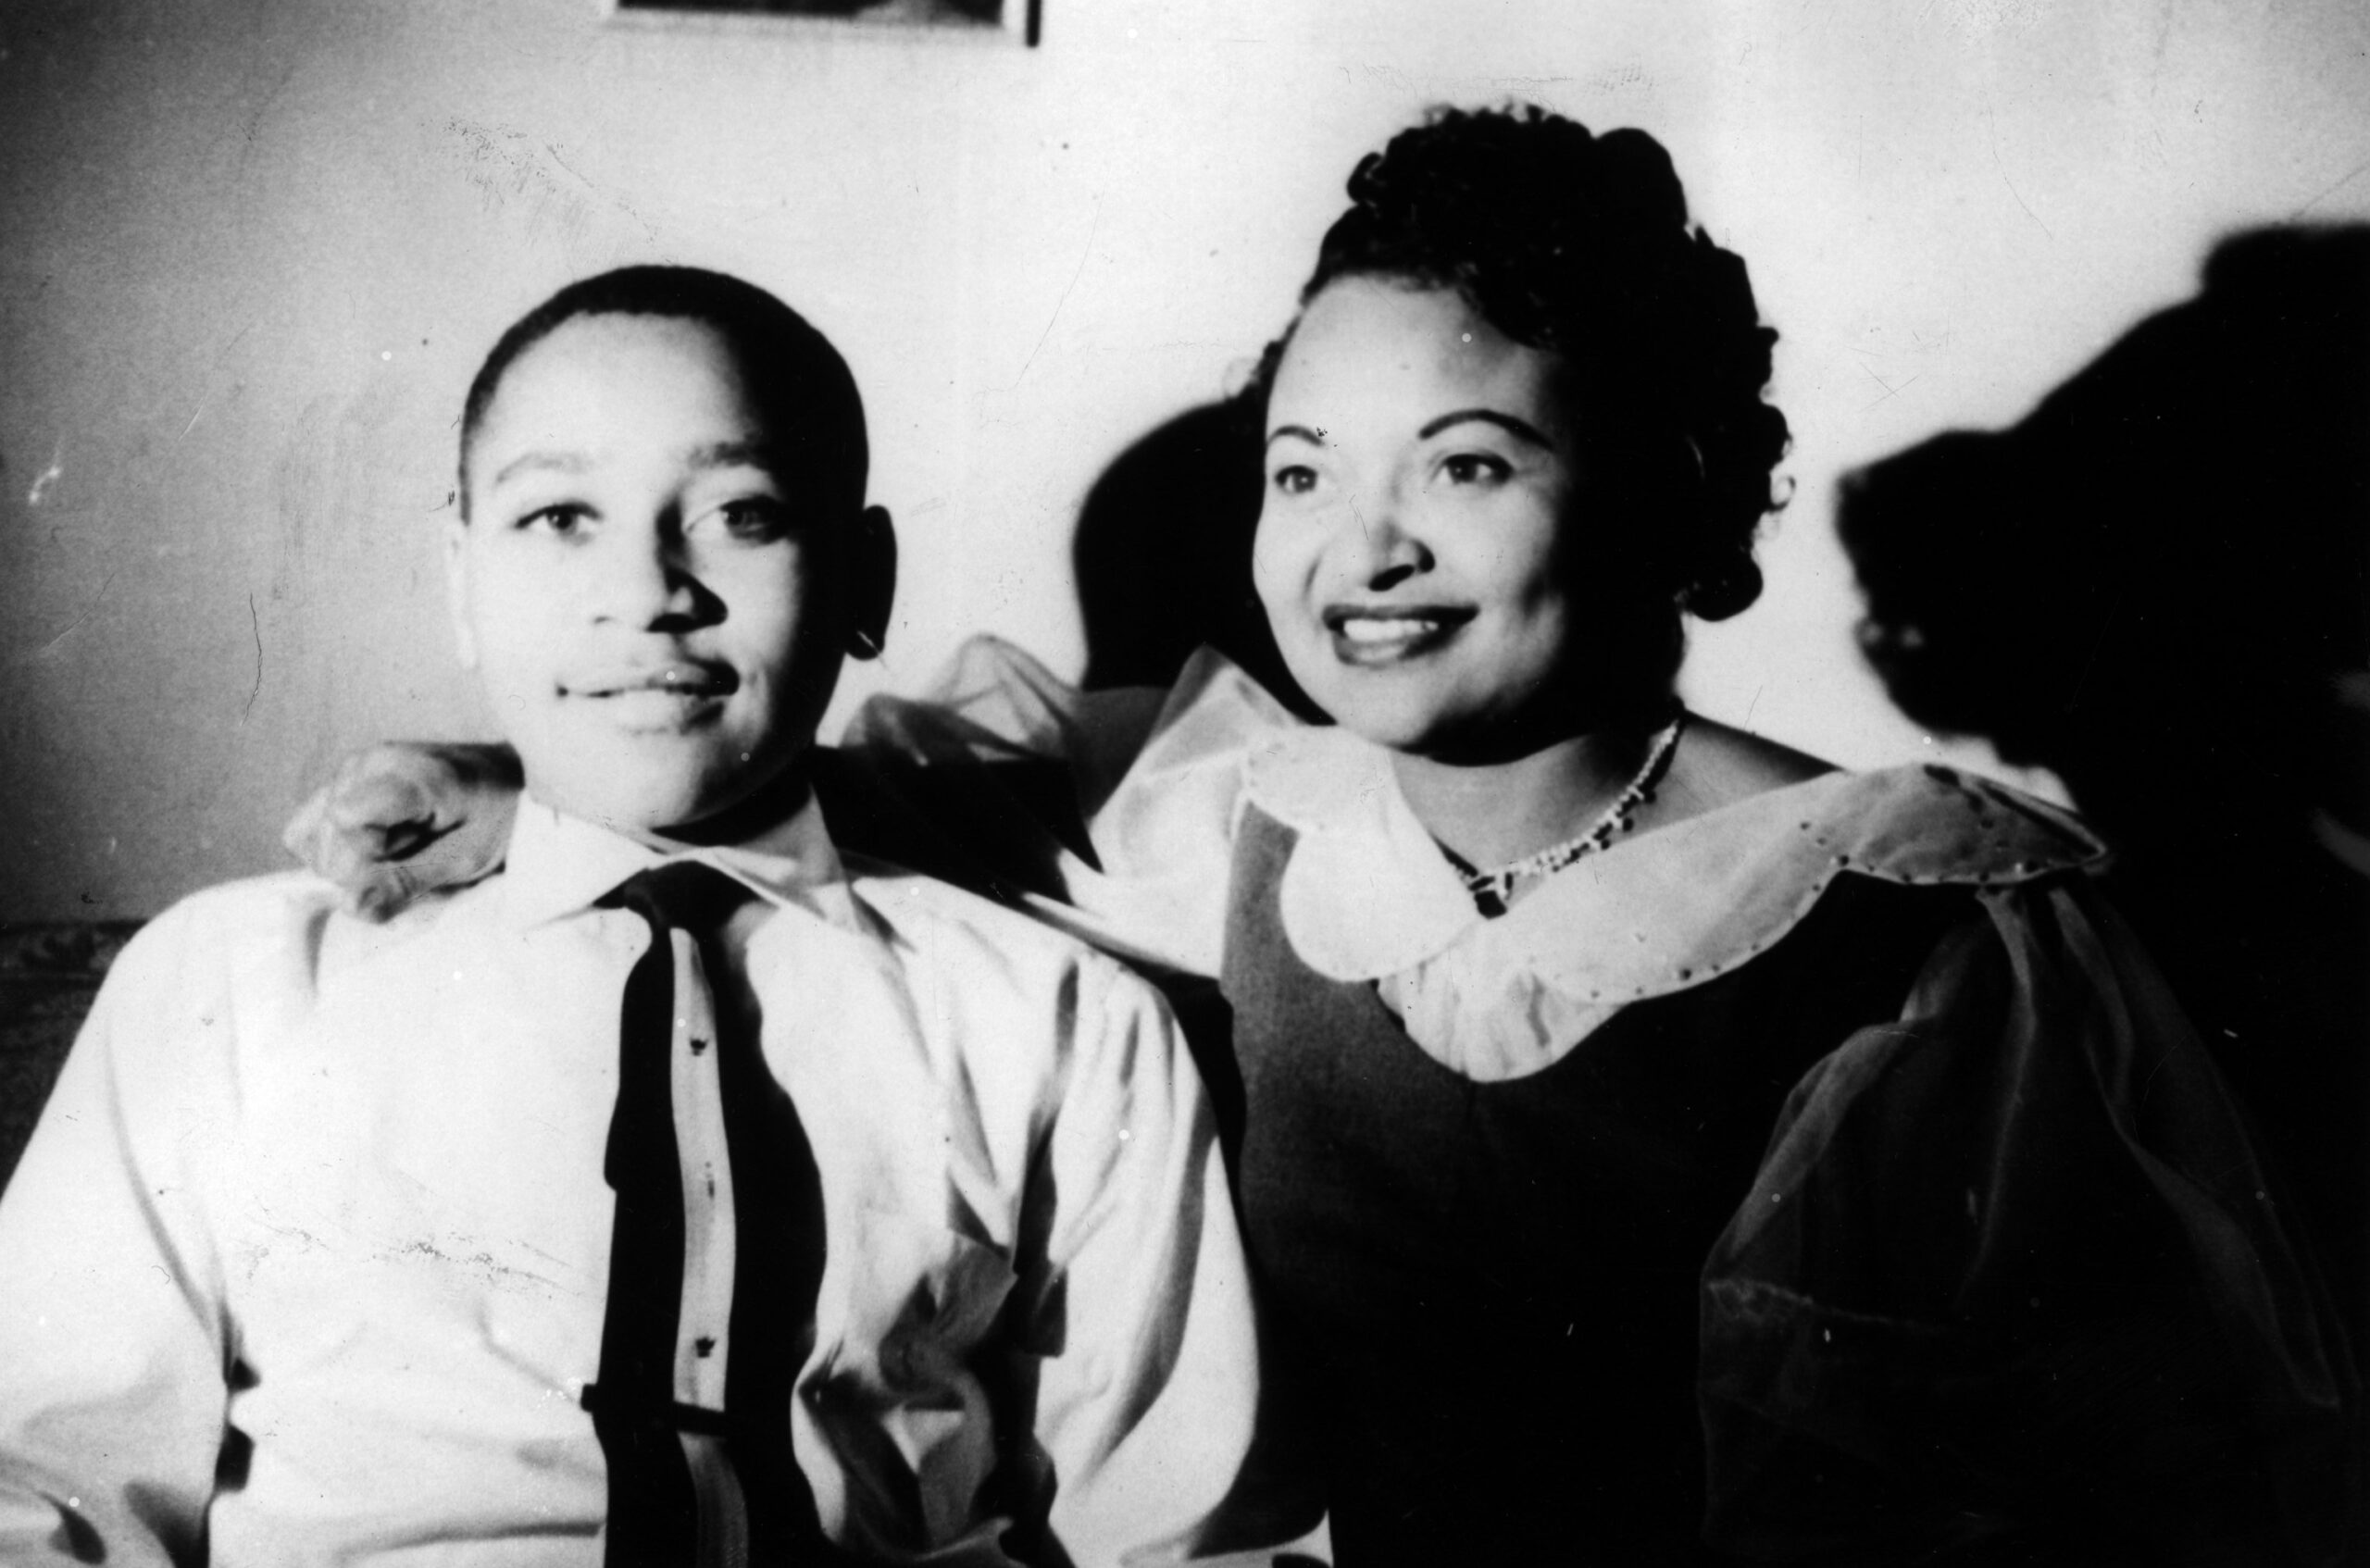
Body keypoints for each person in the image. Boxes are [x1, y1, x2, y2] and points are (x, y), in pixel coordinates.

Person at [283, 113, 2356, 1562]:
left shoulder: (1899, 921)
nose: (1359, 548)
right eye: (1301, 467)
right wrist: (512, 773)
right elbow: (851, 775)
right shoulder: (1241, 818)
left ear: (1655, 486)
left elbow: (2072, 1471)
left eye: (1463, 464)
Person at [0, 266, 1274, 1565]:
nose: (650, 586)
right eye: (560, 516)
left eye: (743, 513)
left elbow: (1181, 1534)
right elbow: (44, 1491)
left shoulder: (1063, 1021)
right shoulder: (230, 986)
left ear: (865, 579)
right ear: (460, 576)